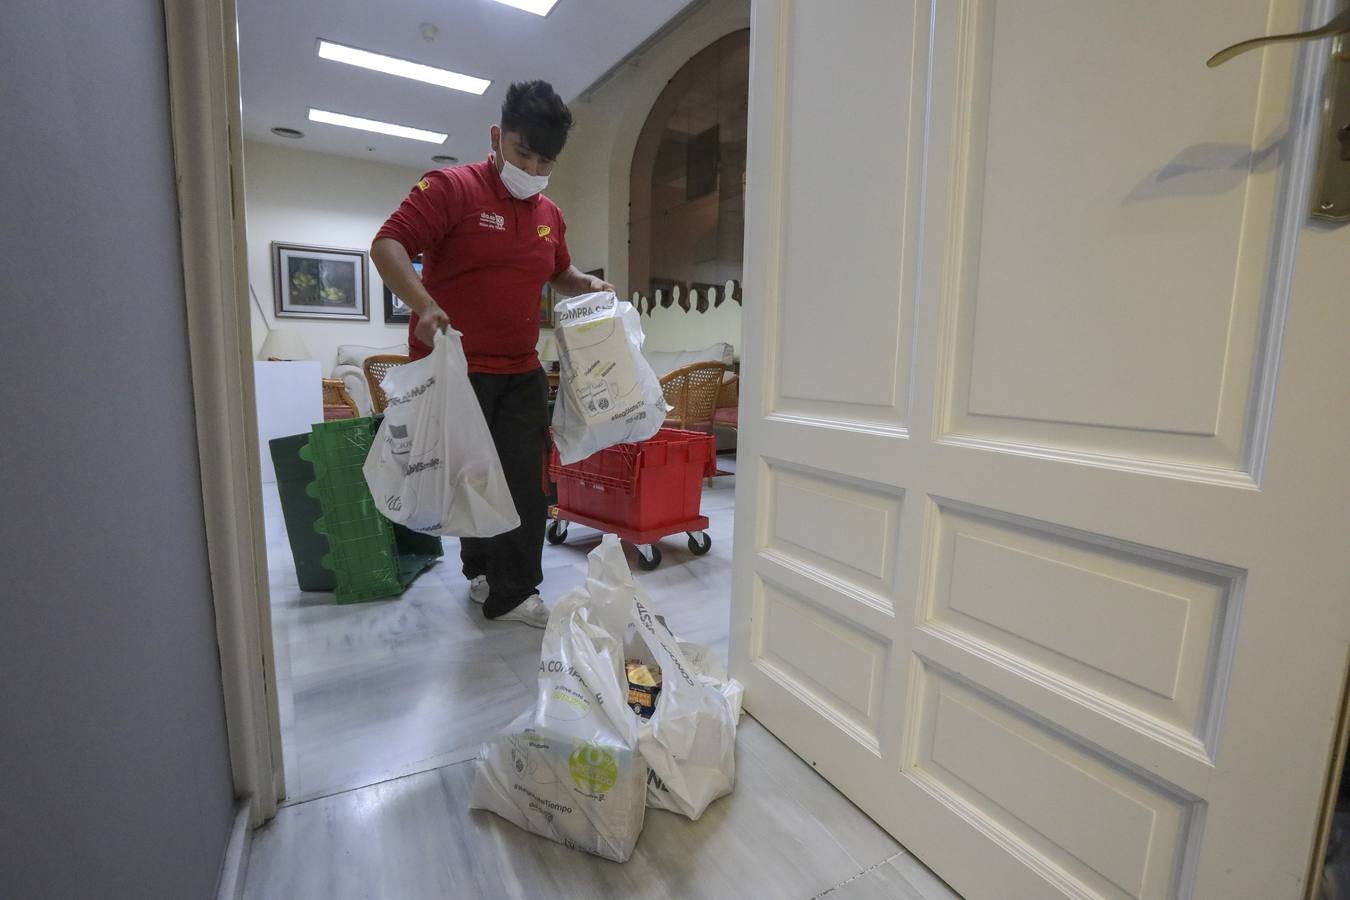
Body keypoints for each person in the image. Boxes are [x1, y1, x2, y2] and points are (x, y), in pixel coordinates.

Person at [371, 80, 613, 628]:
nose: (531, 166)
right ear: (497, 136)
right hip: (455, 370)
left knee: (527, 484)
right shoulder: (450, 188)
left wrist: (586, 285)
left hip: (521, 369)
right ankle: (479, 571)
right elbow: (388, 244)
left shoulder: (549, 212)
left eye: (545, 160)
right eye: (523, 152)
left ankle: (514, 590)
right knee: (470, 479)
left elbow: (560, 272)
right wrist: (423, 303)